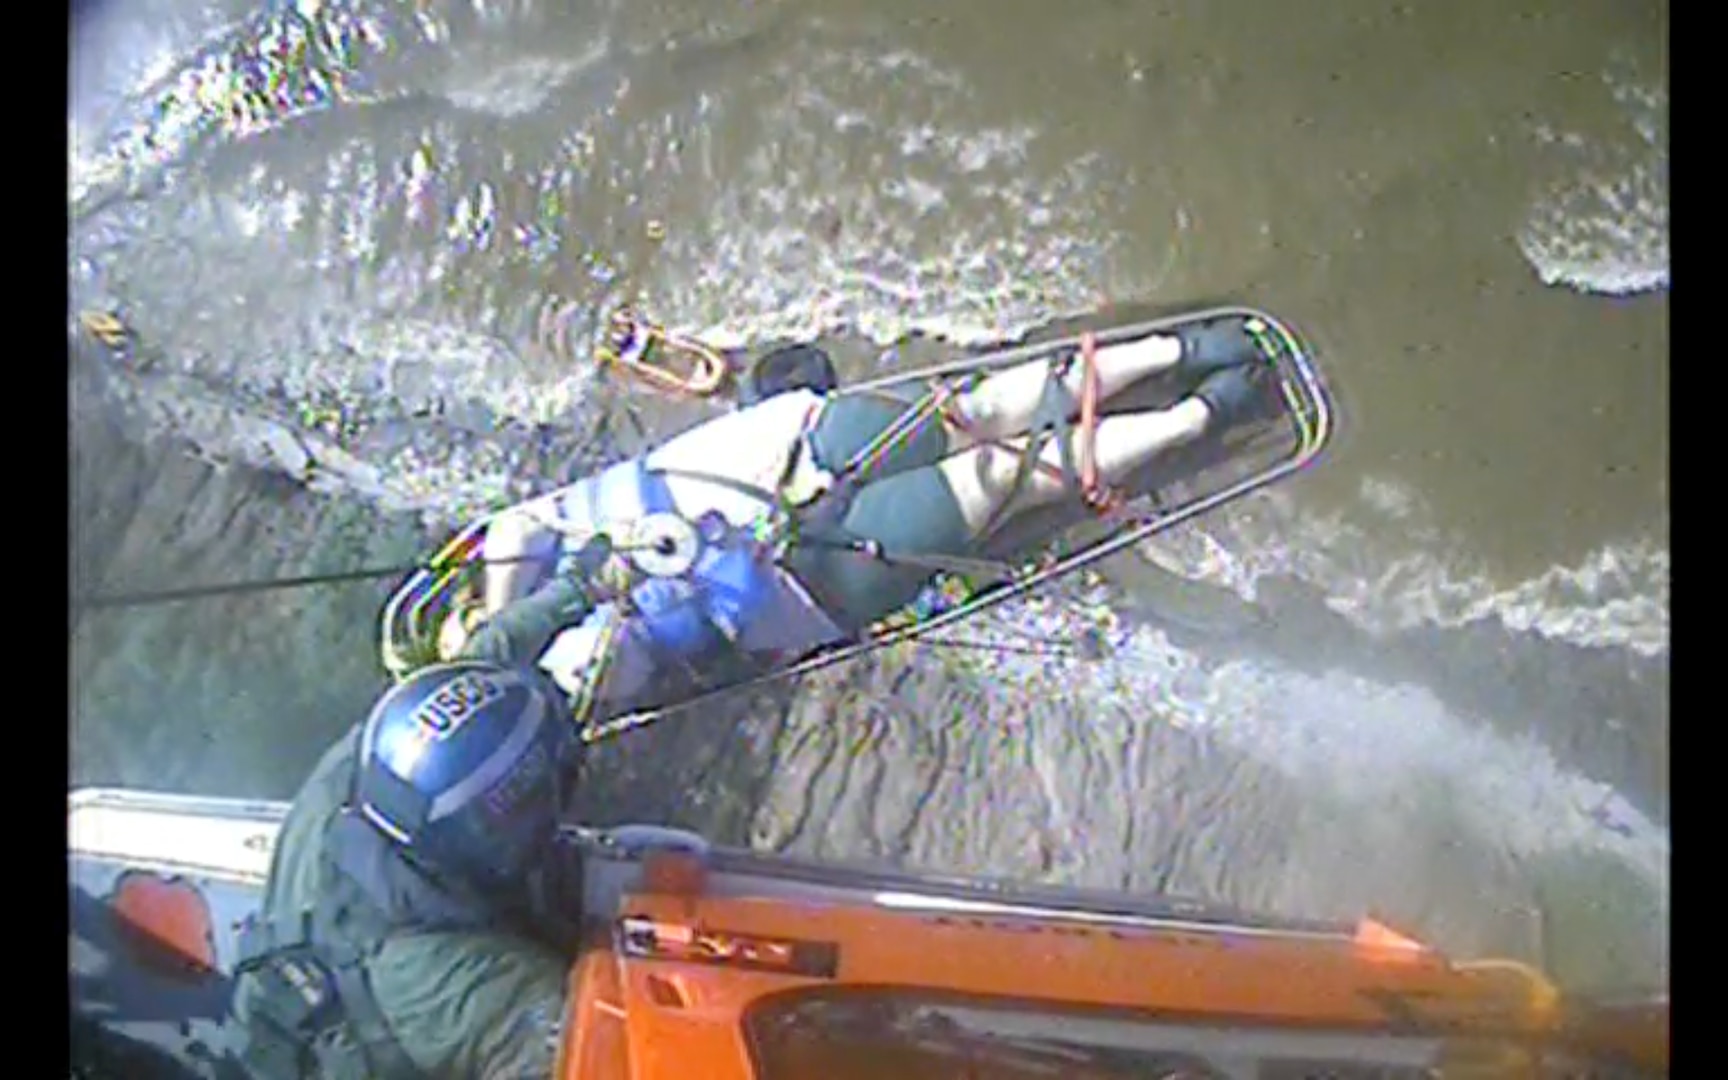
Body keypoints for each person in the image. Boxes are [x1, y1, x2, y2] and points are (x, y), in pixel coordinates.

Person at [467, 313, 1272, 710]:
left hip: (792, 498)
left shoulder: (556, 673)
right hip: (810, 550)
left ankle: (1199, 397)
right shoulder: (563, 654)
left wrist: (510, 626)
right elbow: (577, 614)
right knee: (990, 451)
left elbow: (522, 543)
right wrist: (512, 621)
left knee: (992, 453)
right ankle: (1192, 379)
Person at [226, 536, 626, 1078]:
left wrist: (576, 592)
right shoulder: (493, 992)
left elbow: (473, 671)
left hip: (276, 1029)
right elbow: (599, 1059)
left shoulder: (358, 768)